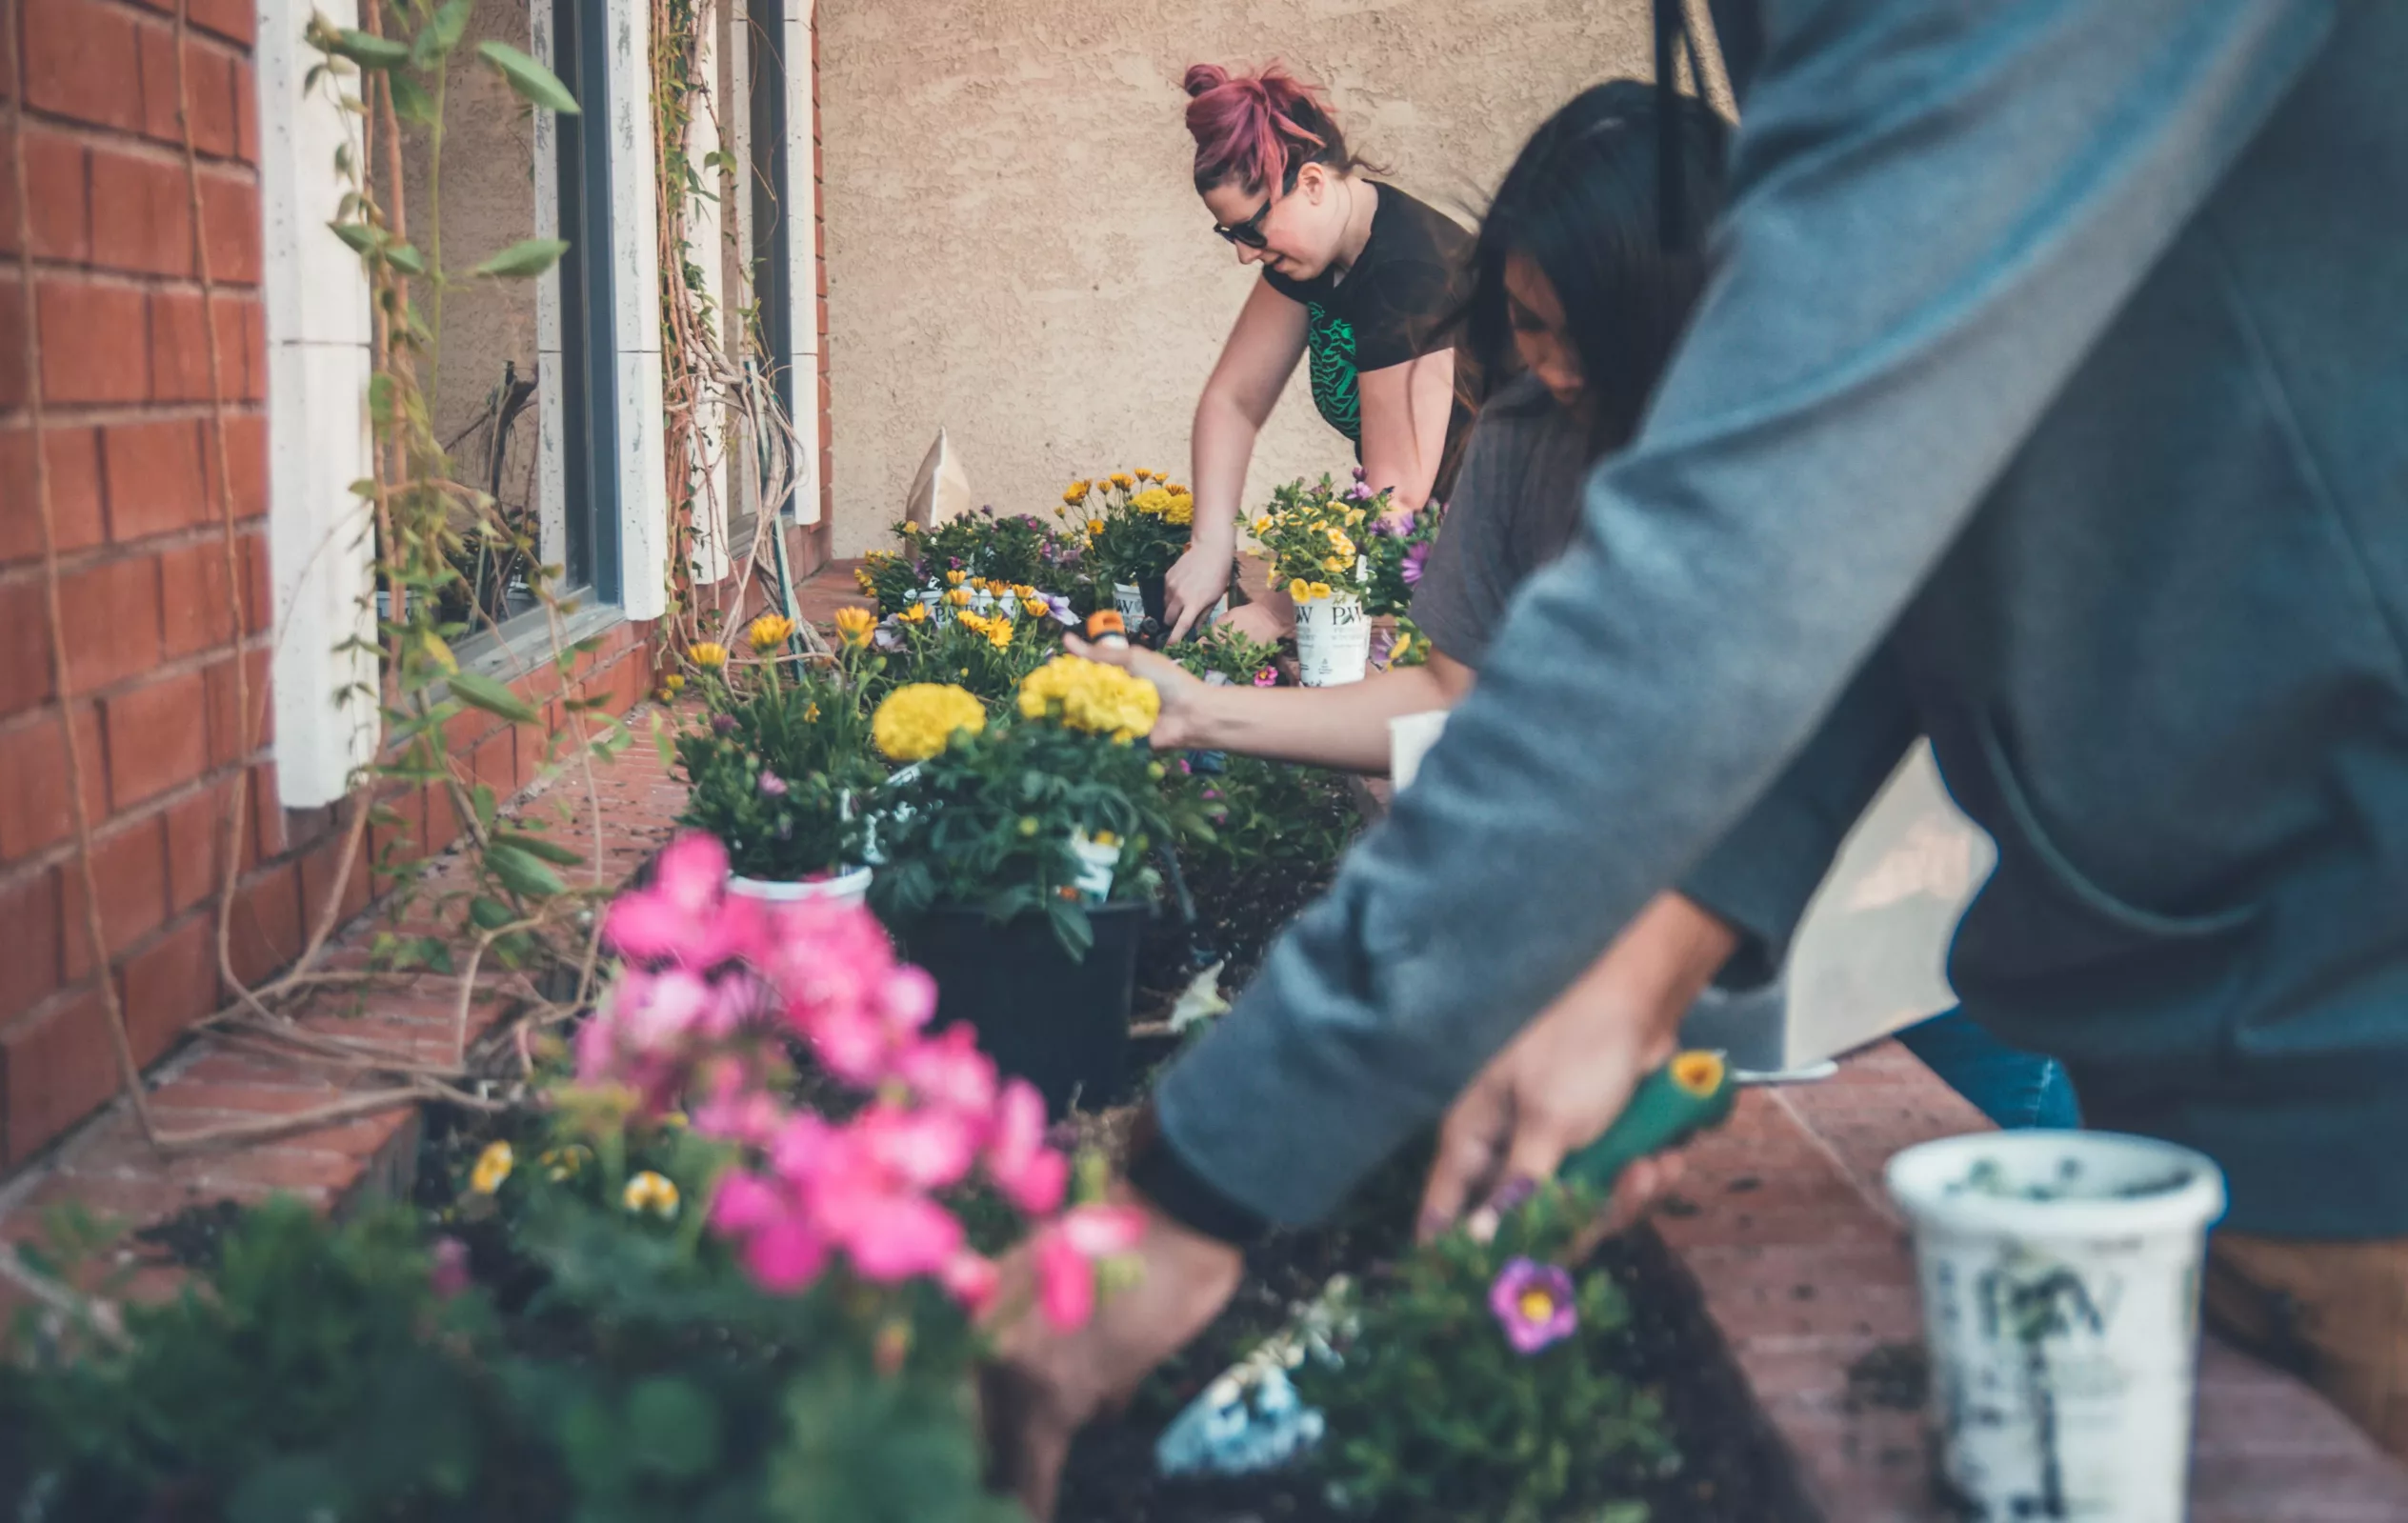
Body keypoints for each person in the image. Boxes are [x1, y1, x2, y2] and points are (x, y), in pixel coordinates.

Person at [987, 0, 2408, 1509]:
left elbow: (1755, 551)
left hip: (2344, 1026)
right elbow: (1866, 554)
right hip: (2212, 1025)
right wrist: (1646, 960)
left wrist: (1207, 1172)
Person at [1094, 79, 2078, 1134]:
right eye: (1523, 326)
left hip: (1937, 933)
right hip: (1708, 950)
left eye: (1582, 336)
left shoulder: (1828, 435)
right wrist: (1200, 710)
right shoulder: (1523, 436)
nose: (1549, 369)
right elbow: (1450, 695)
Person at [1161, 63, 1478, 644]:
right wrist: (1210, 545)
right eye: (1230, 234)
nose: (1244, 255)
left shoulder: (1407, 278)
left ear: (1310, 183)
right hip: (1441, 553)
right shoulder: (1318, 254)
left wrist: (1273, 613)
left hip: (1522, 549)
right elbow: (1234, 400)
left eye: (1252, 230)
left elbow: (1396, 504)